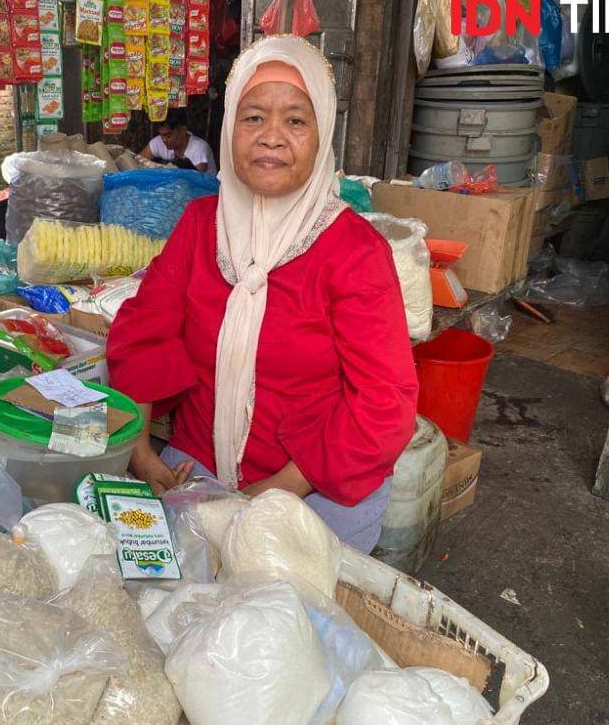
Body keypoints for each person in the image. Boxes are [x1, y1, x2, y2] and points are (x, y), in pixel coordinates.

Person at [107, 35, 418, 553]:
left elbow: (383, 403)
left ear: (322, 134)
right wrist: (139, 450)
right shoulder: (200, 225)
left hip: (317, 482)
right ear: (230, 127)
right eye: (253, 117)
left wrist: (271, 493)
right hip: (198, 466)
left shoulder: (355, 252)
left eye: (295, 120)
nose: (271, 137)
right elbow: (144, 330)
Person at [140, 109, 218, 175]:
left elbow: (195, 179)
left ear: (183, 130)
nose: (164, 140)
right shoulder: (159, 142)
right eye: (161, 135)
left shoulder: (199, 148)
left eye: (168, 136)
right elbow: (138, 161)